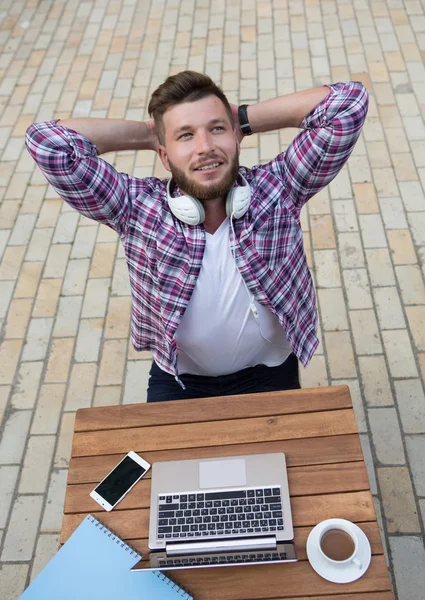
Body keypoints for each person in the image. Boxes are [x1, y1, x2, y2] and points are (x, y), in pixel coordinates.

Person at [26, 70, 368, 403]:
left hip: (270, 374)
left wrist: (243, 118)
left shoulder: (279, 189)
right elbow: (49, 143)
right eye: (185, 136)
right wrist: (148, 134)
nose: (205, 147)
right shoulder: (135, 207)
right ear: (163, 154)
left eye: (216, 129)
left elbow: (347, 104)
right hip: (179, 381)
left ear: (235, 136)